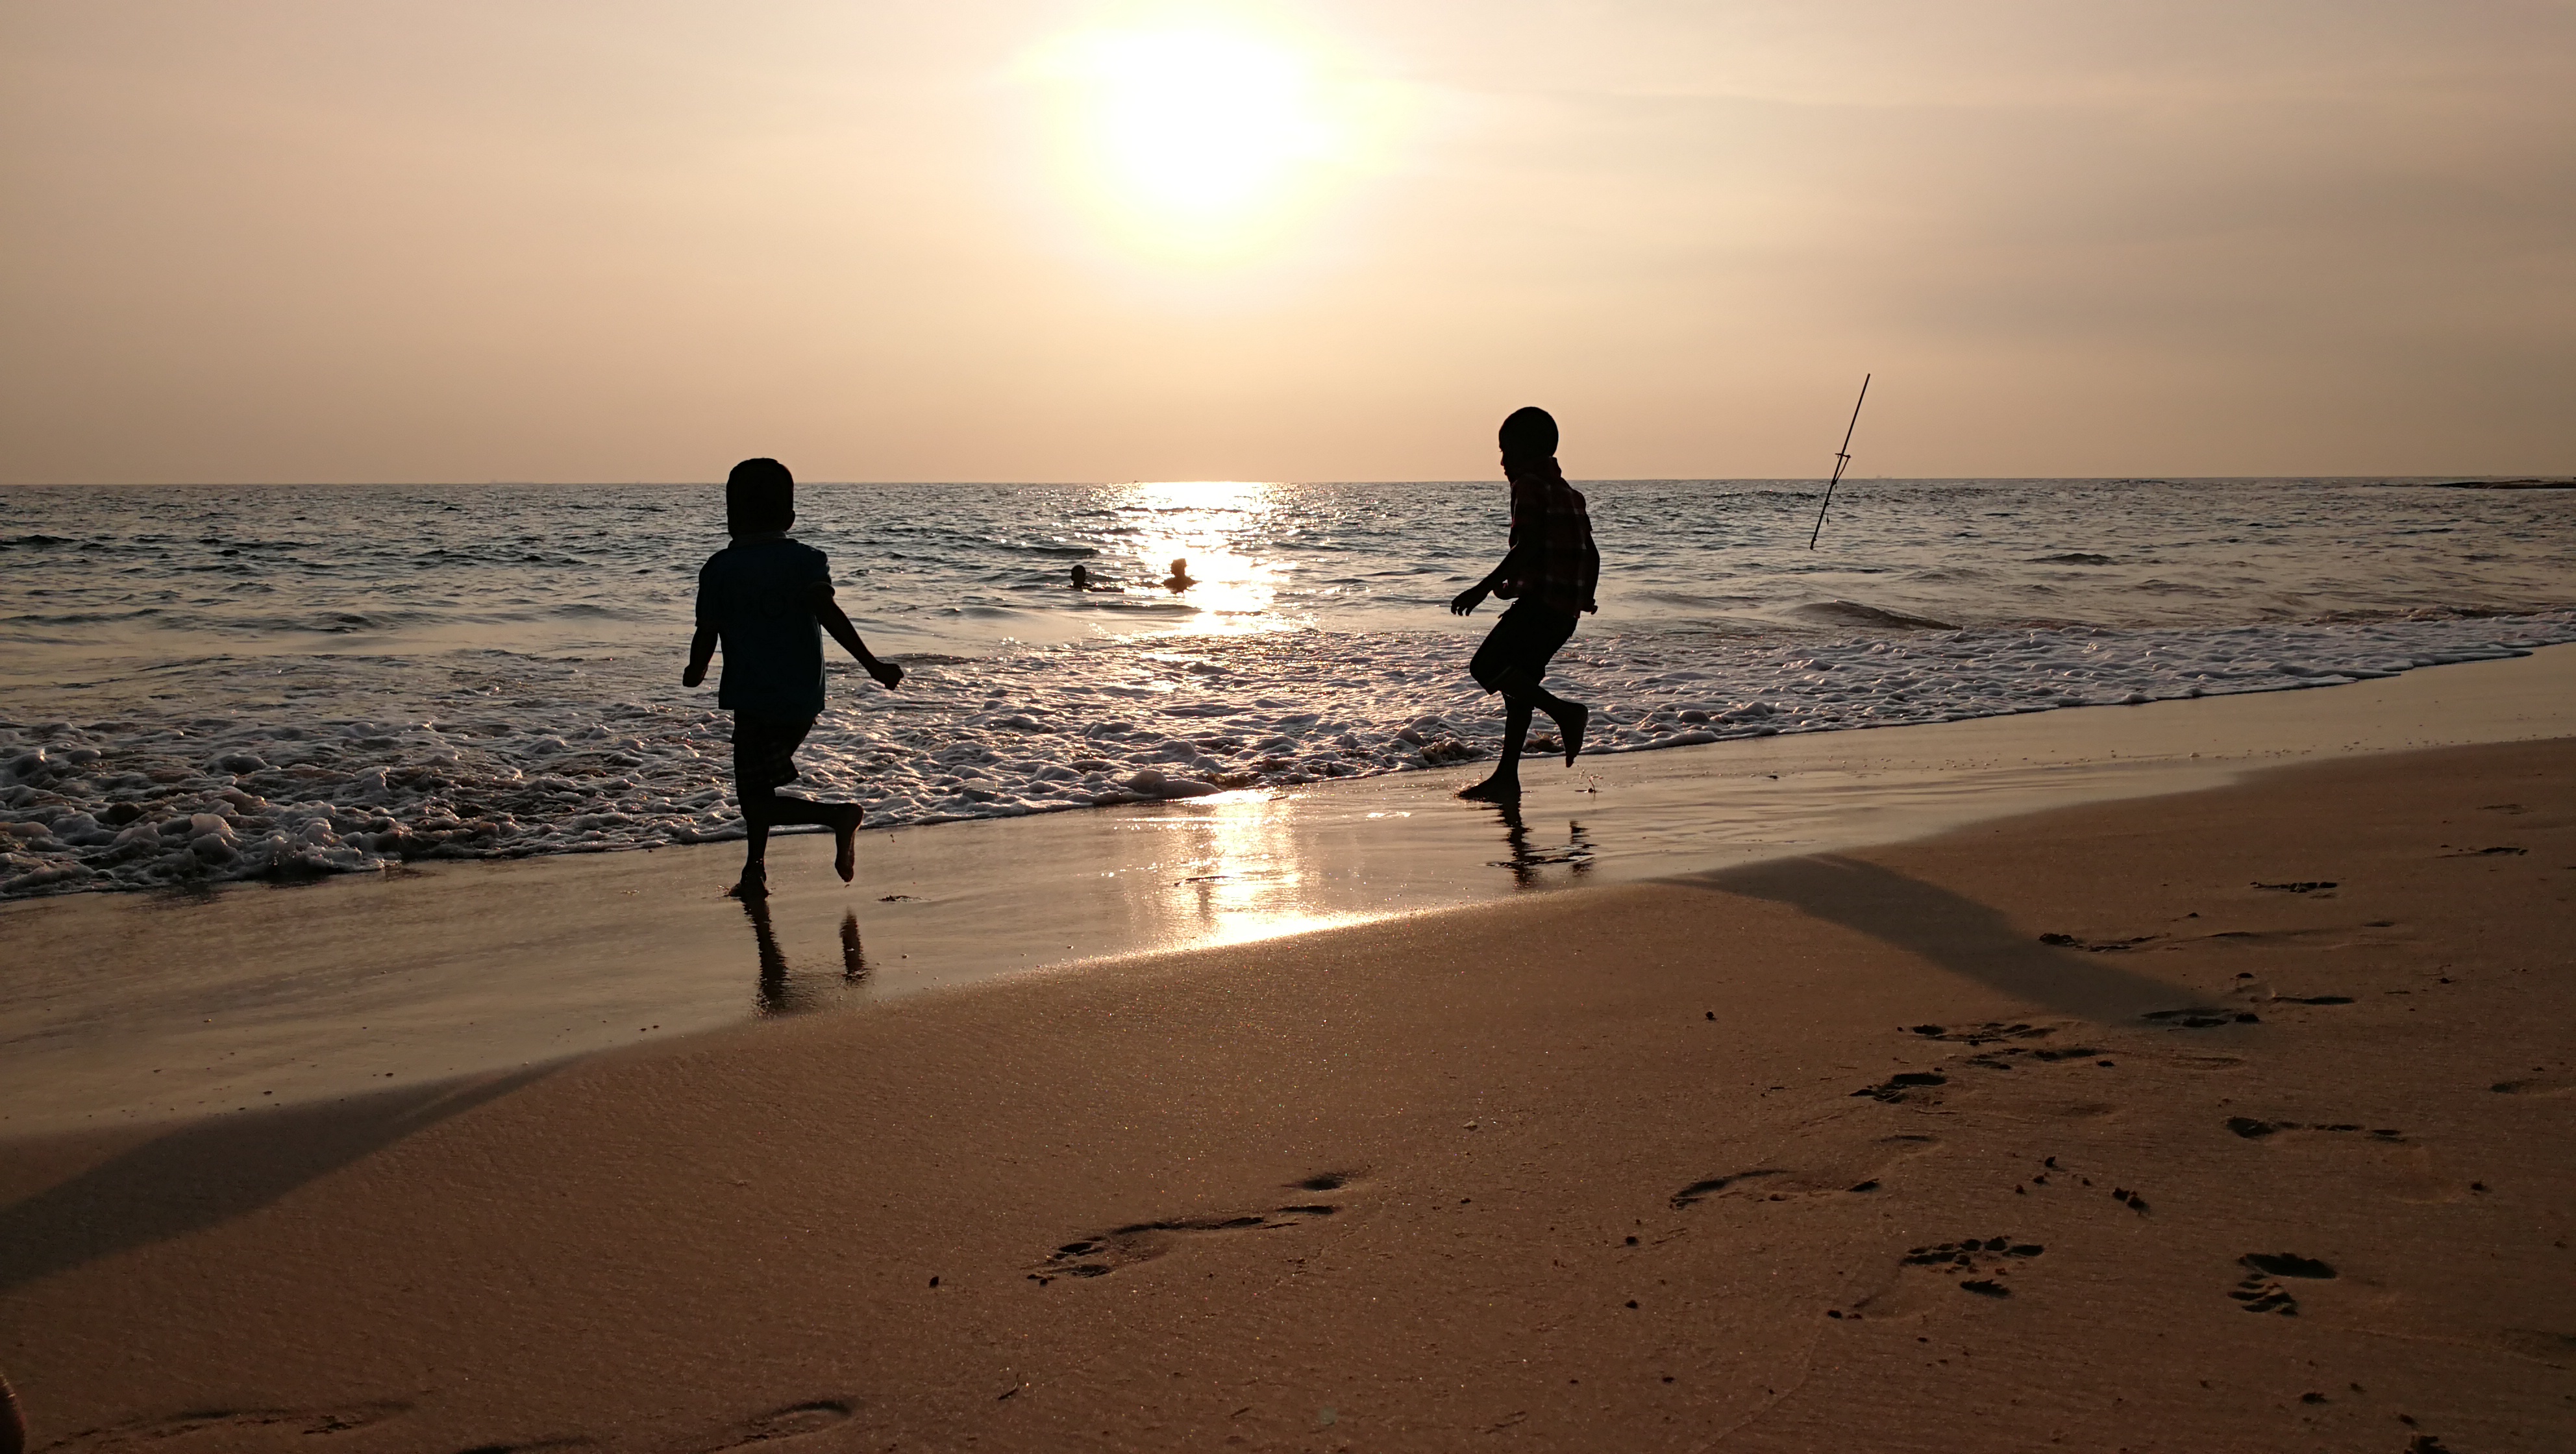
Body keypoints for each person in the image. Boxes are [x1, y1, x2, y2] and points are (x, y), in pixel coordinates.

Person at [684, 458, 903, 898]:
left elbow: (706, 631)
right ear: (789, 518)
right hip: (803, 696)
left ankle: (838, 818)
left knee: (755, 797)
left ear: (730, 517)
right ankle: (754, 872)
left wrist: (697, 669)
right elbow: (830, 616)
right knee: (757, 789)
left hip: (752, 695)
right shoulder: (805, 561)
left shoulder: (719, 569)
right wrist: (873, 665)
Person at [1448, 406, 1596, 801]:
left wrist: (1482, 589)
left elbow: (1528, 545)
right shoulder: (1571, 494)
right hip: (1562, 614)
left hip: (1542, 611)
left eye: (1505, 450)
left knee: (1485, 667)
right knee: (1518, 690)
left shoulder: (1527, 486)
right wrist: (1579, 597)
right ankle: (1507, 778)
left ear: (1525, 452)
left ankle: (1566, 713)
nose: (1501, 462)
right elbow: (1588, 553)